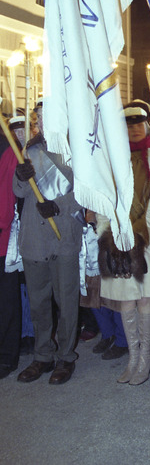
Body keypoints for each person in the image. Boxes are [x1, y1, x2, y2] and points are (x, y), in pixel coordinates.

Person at [97, 104, 150, 385]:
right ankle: (133, 355)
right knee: (125, 297)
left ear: (148, 124)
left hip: (144, 239)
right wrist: (109, 233)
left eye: (139, 123)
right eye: (128, 124)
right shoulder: (112, 158)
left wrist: (139, 236)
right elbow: (105, 199)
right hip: (116, 237)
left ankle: (146, 357)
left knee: (144, 297)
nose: (134, 128)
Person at [14, 114, 83, 385]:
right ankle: (43, 355)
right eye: (39, 118)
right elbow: (19, 192)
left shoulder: (75, 150)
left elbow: (87, 192)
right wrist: (21, 177)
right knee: (38, 302)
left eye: (48, 117)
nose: (43, 123)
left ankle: (66, 357)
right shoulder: (29, 150)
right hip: (33, 239)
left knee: (66, 303)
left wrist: (59, 205)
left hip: (63, 235)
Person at [0, 122, 21, 378]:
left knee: (6, 301)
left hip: (3, 239)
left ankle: (7, 354)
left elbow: (7, 195)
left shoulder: (7, 149)